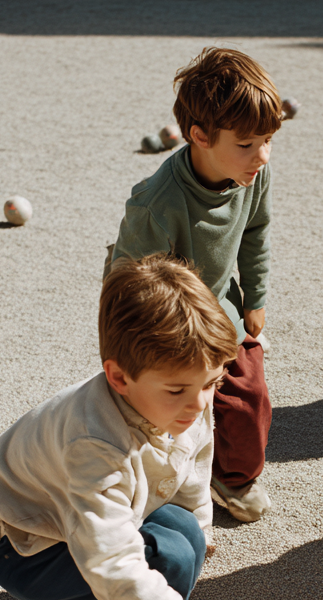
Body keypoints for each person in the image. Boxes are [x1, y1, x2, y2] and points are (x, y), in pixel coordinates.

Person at [0, 255, 281, 600]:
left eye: (211, 383)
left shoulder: (178, 400)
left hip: (84, 516)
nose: (198, 404)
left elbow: (193, 468)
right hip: (20, 542)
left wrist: (202, 531)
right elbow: (111, 566)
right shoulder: (94, 446)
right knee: (166, 557)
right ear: (118, 377)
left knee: (185, 536)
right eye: (178, 388)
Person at [109, 47, 282, 523]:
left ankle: (233, 477)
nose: (262, 156)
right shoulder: (155, 206)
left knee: (248, 399)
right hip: (164, 324)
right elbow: (126, 288)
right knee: (156, 418)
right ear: (199, 135)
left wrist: (257, 295)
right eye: (247, 144)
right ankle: (145, 491)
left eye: (268, 140)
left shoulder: (252, 175)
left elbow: (255, 231)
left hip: (219, 312)